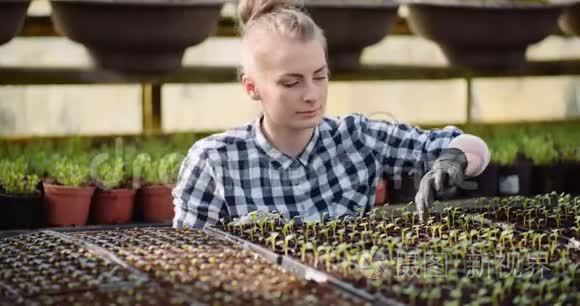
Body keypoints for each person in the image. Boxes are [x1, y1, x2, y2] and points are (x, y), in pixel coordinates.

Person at [172, 0, 490, 228]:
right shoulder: (214, 161)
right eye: (291, 82)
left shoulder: (357, 138)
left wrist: (454, 160)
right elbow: (189, 263)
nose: (312, 94)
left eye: (320, 76)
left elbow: (471, 146)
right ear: (252, 88)